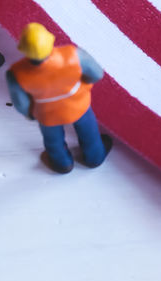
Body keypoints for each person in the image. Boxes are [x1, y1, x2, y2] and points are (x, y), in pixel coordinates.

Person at [6, 22, 111, 174]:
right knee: (89, 131)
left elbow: (20, 102)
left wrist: (30, 114)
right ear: (49, 41)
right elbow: (97, 74)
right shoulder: (74, 55)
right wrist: (85, 84)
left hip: (47, 114)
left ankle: (62, 163)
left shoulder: (16, 74)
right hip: (78, 105)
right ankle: (95, 157)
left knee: (53, 140)